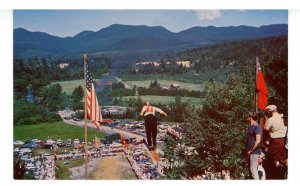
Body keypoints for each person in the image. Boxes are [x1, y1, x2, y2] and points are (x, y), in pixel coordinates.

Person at [264, 105, 287, 179]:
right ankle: (282, 176)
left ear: (269, 112)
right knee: (281, 160)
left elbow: (265, 130)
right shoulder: (283, 117)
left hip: (275, 142)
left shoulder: (271, 119)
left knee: (270, 160)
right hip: (284, 141)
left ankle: (273, 177)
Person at [247, 112, 262, 180]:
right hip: (251, 152)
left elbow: (258, 141)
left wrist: (251, 150)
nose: (247, 117)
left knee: (253, 170)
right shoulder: (250, 126)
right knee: (252, 170)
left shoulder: (257, 127)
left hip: (254, 152)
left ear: (251, 117)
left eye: (248, 116)